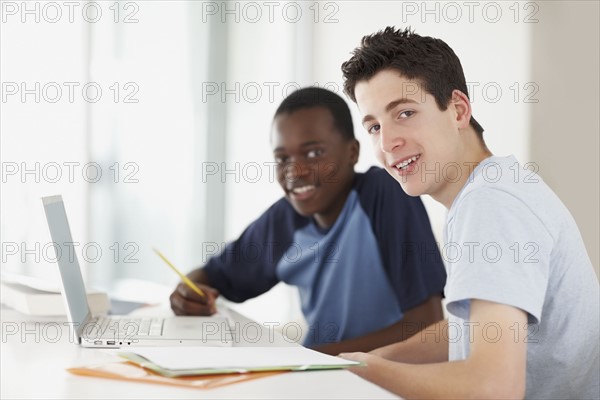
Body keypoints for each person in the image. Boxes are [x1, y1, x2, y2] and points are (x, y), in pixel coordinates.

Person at [338, 26, 600, 398]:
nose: (387, 141)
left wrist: (371, 373)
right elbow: (472, 327)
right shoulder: (495, 187)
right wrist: (372, 360)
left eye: (406, 113)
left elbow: (493, 389)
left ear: (458, 109)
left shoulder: (490, 205)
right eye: (374, 126)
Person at [170, 87, 447, 354]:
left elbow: (426, 326)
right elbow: (211, 276)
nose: (295, 171)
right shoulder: (285, 219)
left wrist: (311, 358)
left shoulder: (383, 195)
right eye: (282, 158)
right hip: (318, 375)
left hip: (388, 381)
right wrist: (187, 293)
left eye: (314, 153)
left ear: (352, 152)